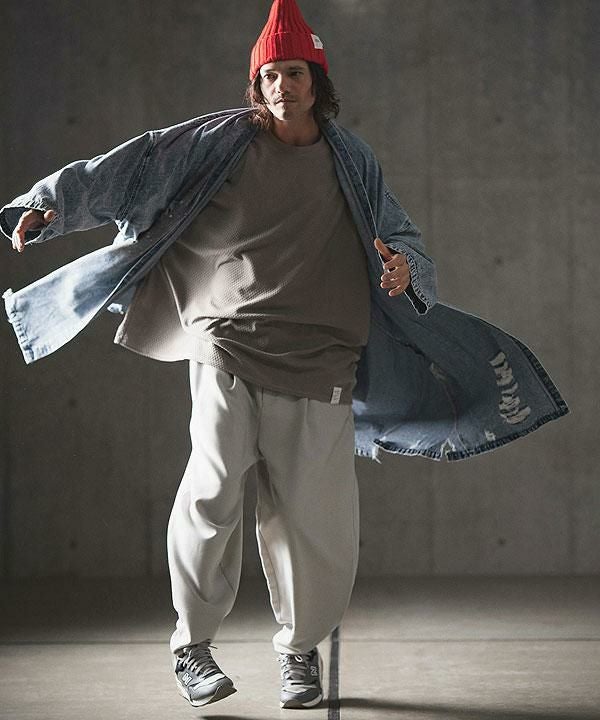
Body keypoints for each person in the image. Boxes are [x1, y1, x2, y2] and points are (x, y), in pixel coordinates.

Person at [1, 0, 568, 710]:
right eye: (269, 75)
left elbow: (400, 238)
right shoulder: (218, 143)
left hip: (323, 355)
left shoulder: (352, 161)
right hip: (227, 340)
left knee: (314, 520)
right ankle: (192, 646)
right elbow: (132, 168)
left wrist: (405, 272)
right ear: (257, 84)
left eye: (293, 72)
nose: (280, 86)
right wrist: (50, 205)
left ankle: (299, 652)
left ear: (316, 81)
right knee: (212, 489)